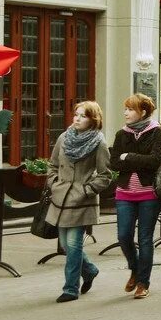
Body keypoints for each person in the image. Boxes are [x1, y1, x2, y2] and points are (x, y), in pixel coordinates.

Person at [47, 101, 112, 302]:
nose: (77, 118)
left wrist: (87, 190)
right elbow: (53, 165)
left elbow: (105, 174)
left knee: (74, 245)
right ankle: (90, 270)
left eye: (83, 116)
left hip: (82, 200)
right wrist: (54, 184)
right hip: (61, 198)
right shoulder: (64, 137)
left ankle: (70, 289)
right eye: (76, 114)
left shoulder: (99, 143)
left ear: (93, 119)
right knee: (66, 246)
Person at [111, 93, 161, 300]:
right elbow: (114, 162)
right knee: (123, 236)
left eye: (130, 109)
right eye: (125, 109)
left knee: (144, 239)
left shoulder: (156, 132)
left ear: (142, 112)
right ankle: (134, 268)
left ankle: (143, 282)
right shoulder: (121, 134)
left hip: (148, 193)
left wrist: (129, 157)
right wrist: (133, 159)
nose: (125, 112)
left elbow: (155, 160)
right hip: (124, 192)